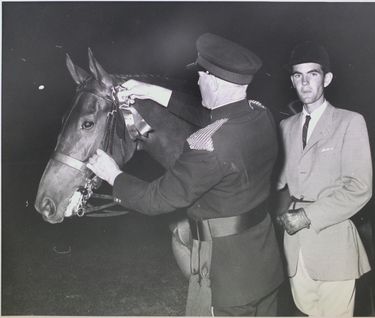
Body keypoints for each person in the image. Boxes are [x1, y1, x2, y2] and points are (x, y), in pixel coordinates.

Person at [87, 33, 284, 316]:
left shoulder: (207, 145)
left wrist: (113, 175)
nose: (198, 82)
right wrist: (151, 91)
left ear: (213, 81)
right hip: (262, 265)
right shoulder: (259, 116)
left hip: (228, 280)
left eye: (201, 76)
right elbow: (213, 117)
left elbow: (156, 200)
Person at [276, 41, 373, 316]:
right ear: (292, 81)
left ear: (327, 79)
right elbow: (276, 182)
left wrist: (307, 216)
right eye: (298, 75)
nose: (304, 82)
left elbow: (360, 188)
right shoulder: (285, 126)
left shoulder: (349, 122)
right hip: (294, 246)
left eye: (313, 74)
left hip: (333, 244)